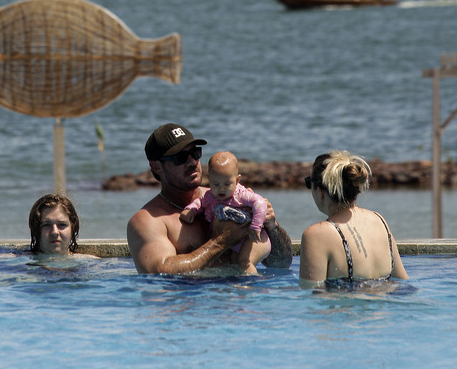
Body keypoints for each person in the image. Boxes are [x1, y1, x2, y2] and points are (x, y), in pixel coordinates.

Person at [126, 123, 292, 275]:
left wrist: (272, 226)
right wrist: (221, 242)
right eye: (180, 157)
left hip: (239, 300)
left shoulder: (228, 198)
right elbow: (159, 272)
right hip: (190, 303)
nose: (192, 162)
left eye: (195, 153)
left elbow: (281, 264)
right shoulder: (148, 221)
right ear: (156, 167)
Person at [299, 150, 409, 288]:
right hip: (384, 306)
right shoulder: (379, 221)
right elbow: (402, 281)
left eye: (309, 183)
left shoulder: (316, 235)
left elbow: (310, 292)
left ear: (320, 190)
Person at [180, 151, 270, 275]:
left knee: (244, 262)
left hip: (254, 238)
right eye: (216, 184)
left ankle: (251, 287)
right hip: (235, 241)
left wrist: (256, 226)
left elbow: (260, 203)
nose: (221, 189)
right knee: (233, 264)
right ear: (209, 179)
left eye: (227, 184)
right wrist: (191, 210)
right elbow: (199, 202)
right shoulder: (210, 196)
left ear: (237, 180)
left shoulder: (240, 194)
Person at [28, 193, 91, 258]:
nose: (55, 232)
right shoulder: (20, 262)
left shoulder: (91, 264)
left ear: (73, 228)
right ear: (35, 229)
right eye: (46, 225)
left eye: (62, 224)